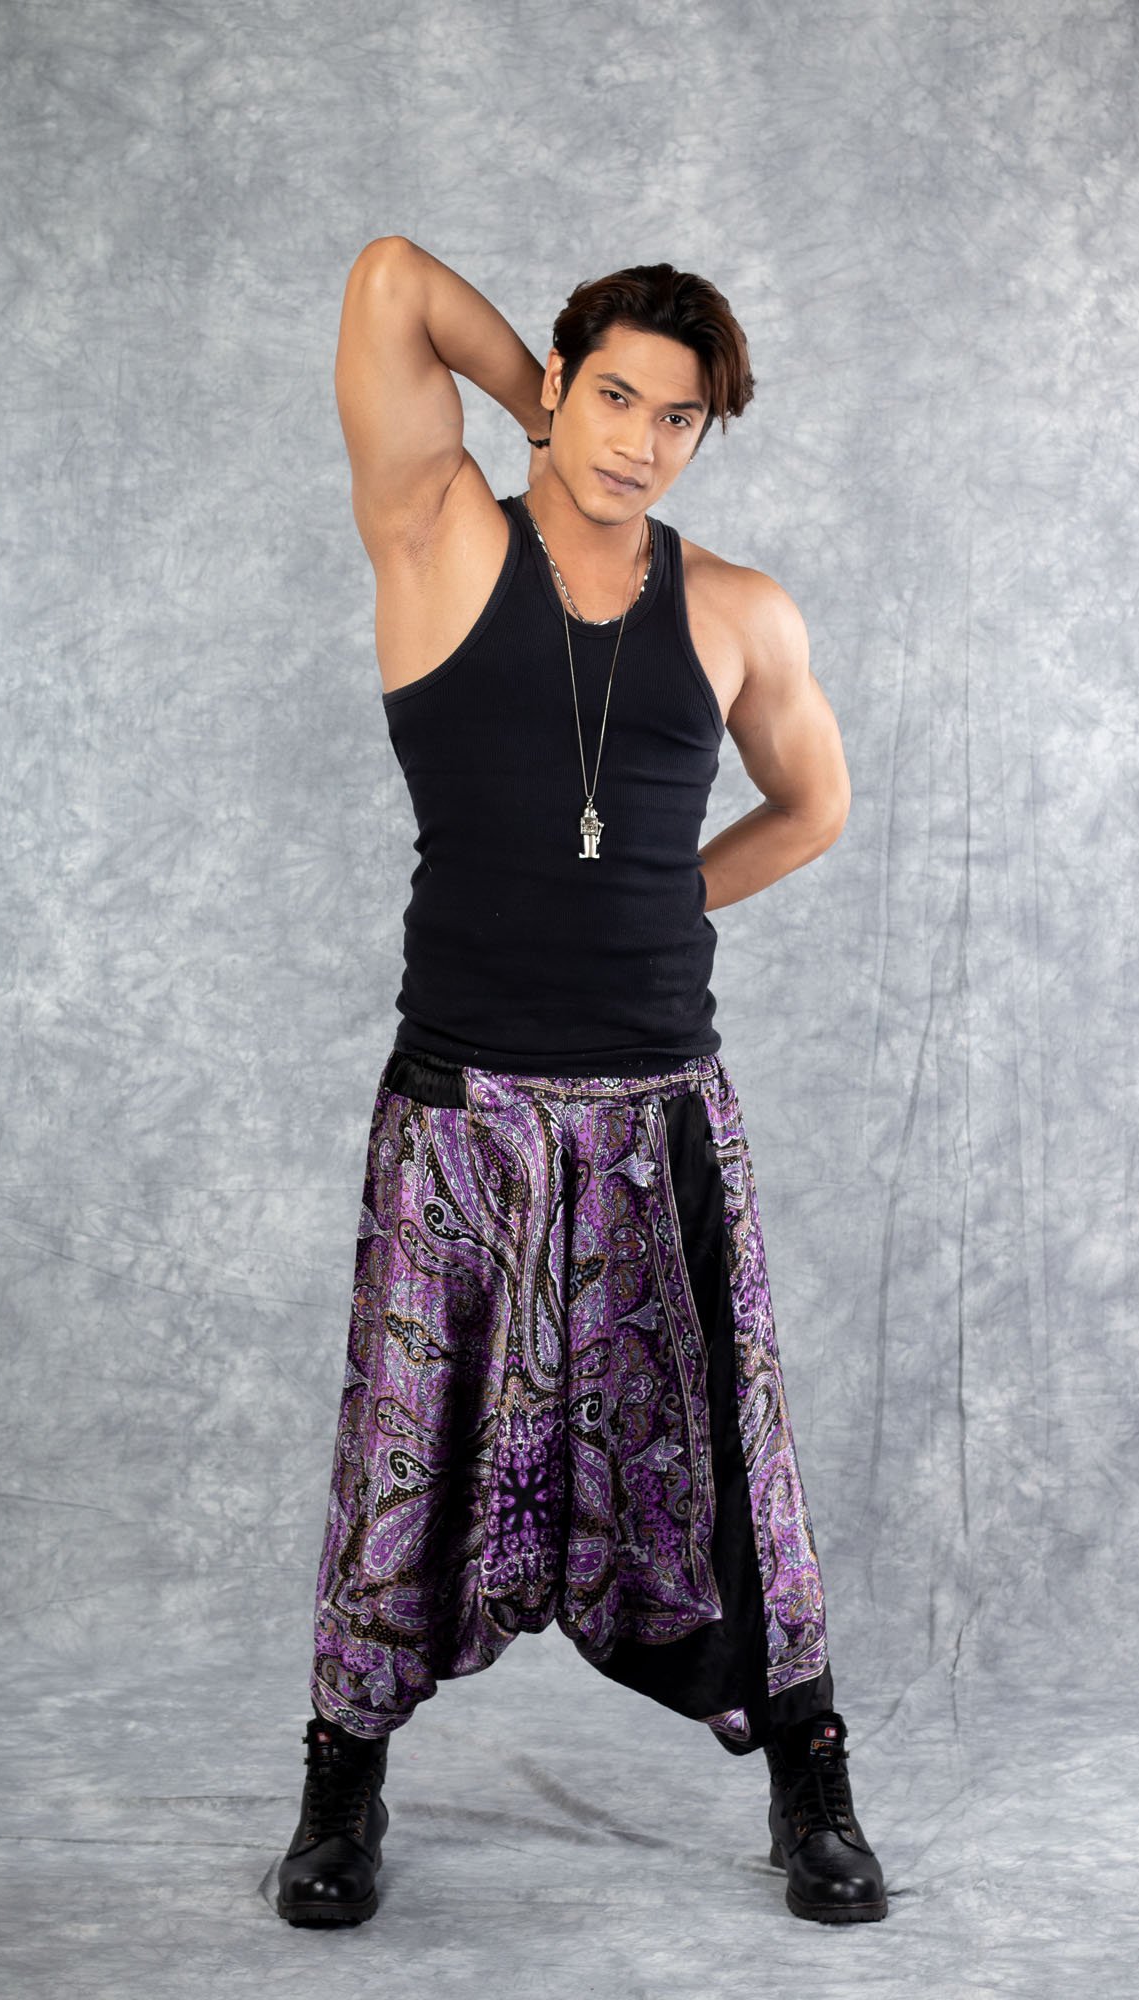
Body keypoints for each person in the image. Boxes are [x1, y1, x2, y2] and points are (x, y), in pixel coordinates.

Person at [275, 236, 888, 1929]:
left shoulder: (739, 610)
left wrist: (664, 896)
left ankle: (809, 1776)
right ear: (558, 386)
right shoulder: (438, 536)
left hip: (657, 1110)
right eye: (612, 396)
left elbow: (813, 807)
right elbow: (390, 280)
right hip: (460, 1110)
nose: (639, 441)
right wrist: (533, 404)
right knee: (404, 1456)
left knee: (730, 1459)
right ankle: (340, 1779)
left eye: (676, 418)